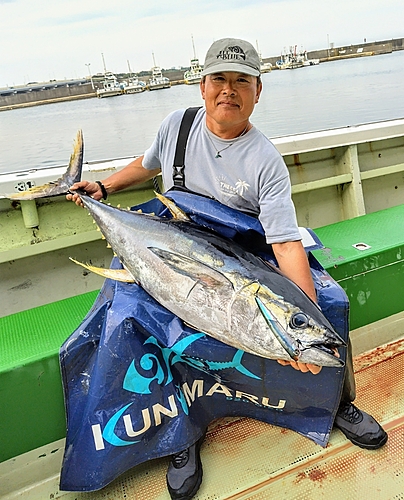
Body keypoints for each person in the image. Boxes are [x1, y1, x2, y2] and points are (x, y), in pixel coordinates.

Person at [68, 38, 387, 500]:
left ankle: (336, 402)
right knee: (130, 324)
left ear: (259, 92)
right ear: (202, 86)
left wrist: (303, 313)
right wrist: (103, 185)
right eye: (219, 78)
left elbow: (282, 240)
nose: (229, 90)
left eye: (242, 81)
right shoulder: (177, 127)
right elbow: (148, 163)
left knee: (331, 305)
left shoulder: (265, 160)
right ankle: (181, 437)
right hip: (163, 251)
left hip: (236, 254)